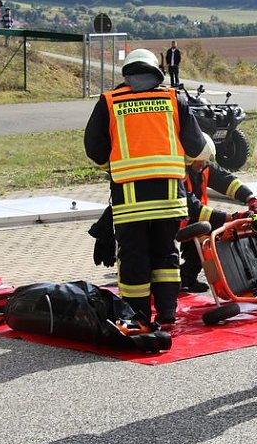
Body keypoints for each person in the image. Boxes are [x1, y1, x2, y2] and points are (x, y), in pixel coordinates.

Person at [84, 49, 205, 326]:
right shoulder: (174, 99)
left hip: (130, 200)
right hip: (170, 197)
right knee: (166, 254)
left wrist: (112, 166)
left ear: (127, 74)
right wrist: (180, 163)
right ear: (156, 71)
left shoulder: (109, 102)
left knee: (133, 258)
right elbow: (197, 147)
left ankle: (138, 317)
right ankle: (167, 311)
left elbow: (94, 148)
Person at [179, 132, 257, 292]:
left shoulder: (202, 167)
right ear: (189, 159)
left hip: (189, 220)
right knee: (164, 260)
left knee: (206, 237)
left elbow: (227, 181)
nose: (205, 164)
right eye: (201, 161)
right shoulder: (178, 175)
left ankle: (187, 278)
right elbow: (194, 208)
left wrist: (251, 199)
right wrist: (233, 217)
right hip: (170, 223)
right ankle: (164, 286)